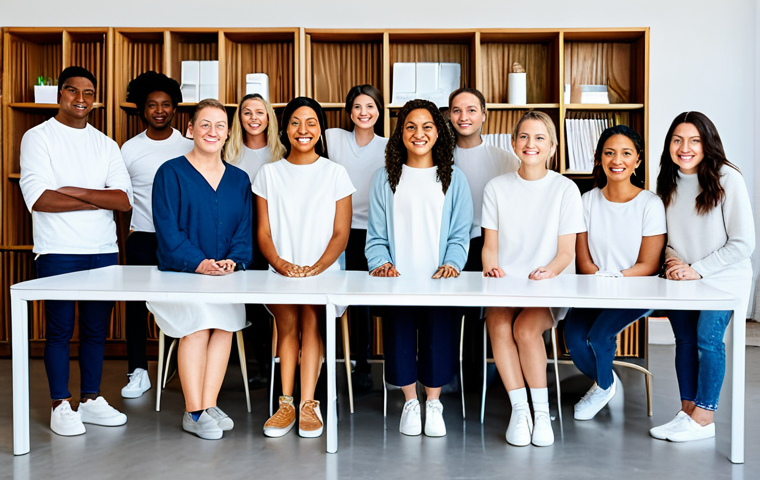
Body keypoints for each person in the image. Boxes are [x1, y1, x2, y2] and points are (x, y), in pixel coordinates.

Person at [19, 66, 133, 436]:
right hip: (58, 250)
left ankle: (90, 399)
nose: (80, 99)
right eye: (72, 91)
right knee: (59, 330)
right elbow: (39, 199)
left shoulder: (106, 144)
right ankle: (60, 404)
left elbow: (122, 199)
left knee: (96, 330)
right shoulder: (38, 138)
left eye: (88, 92)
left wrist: (71, 190)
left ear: (95, 99)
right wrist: (96, 197)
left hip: (102, 251)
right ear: (59, 95)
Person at [365, 99, 473, 438]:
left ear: (439, 133)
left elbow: (460, 233)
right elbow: (376, 234)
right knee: (399, 339)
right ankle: (410, 403)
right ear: (400, 134)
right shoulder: (384, 178)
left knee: (438, 339)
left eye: (427, 126)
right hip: (397, 279)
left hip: (440, 279)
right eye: (410, 126)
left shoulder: (455, 179)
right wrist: (380, 262)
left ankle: (433, 403)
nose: (419, 133)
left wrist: (453, 263)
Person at [148, 98, 253, 440]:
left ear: (227, 134)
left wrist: (233, 260)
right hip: (183, 274)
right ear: (191, 130)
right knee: (197, 325)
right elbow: (168, 230)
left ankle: (208, 404)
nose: (212, 131)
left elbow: (244, 229)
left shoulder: (239, 179)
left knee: (224, 326)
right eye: (204, 124)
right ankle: (193, 412)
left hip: (226, 276)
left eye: (220, 125)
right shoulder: (171, 173)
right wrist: (200, 263)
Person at [253, 97, 354, 438]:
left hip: (323, 271)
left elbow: (342, 233)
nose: (303, 130)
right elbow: (263, 232)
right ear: (284, 129)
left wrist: (317, 268)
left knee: (312, 322)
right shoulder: (269, 173)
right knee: (287, 325)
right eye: (295, 122)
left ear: (321, 129)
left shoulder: (335, 172)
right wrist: (281, 264)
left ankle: (309, 402)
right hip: (280, 270)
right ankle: (286, 403)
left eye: (311, 122)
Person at [481, 110, 584, 447]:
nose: (531, 144)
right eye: (524, 136)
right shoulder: (496, 188)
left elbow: (567, 253)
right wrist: (492, 268)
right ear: (513, 143)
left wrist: (549, 271)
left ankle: (542, 413)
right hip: (507, 285)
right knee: (497, 324)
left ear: (552, 147)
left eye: (540, 137)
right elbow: (490, 247)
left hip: (549, 285)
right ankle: (520, 410)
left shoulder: (565, 189)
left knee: (525, 329)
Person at [650, 111, 754, 442]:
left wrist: (698, 270)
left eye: (694, 140)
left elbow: (743, 243)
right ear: (669, 145)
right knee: (684, 341)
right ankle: (687, 413)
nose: (685, 147)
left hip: (723, 280)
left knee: (708, 340)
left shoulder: (728, 178)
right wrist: (672, 262)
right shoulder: (666, 181)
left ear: (707, 143)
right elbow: (666, 238)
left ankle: (705, 417)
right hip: (684, 280)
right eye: (677, 140)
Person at [563, 125, 666, 420]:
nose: (616, 160)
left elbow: (649, 265)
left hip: (637, 290)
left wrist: (615, 278)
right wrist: (602, 281)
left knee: (598, 337)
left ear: (638, 160)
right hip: (595, 288)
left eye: (625, 153)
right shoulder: (585, 202)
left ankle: (602, 383)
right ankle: (606, 383)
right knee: (573, 338)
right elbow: (584, 263)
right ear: (598, 158)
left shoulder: (650, 204)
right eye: (609, 153)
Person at [120, 71, 192, 398]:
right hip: (143, 237)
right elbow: (121, 196)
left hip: (180, 241)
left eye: (165, 104)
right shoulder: (129, 149)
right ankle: (137, 370)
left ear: (175, 108)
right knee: (135, 307)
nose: (159, 110)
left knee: (181, 305)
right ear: (142, 109)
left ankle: (181, 366)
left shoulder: (188, 146)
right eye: (152, 105)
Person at [325, 84, 388, 391]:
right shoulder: (334, 137)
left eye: (370, 107)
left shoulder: (388, 145)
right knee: (331, 297)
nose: (364, 113)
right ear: (349, 111)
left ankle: (362, 364)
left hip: (371, 231)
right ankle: (327, 361)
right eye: (358, 107)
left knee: (361, 302)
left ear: (379, 111)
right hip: (335, 229)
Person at [225, 93, 287, 389]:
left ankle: (277, 363)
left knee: (271, 303)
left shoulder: (281, 152)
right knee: (248, 304)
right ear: (239, 118)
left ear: (268, 118)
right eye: (247, 112)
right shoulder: (229, 152)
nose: (253, 118)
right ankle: (260, 365)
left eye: (259, 113)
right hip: (238, 237)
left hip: (273, 236)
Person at [448, 87, 519, 271]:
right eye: (457, 111)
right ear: (449, 115)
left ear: (484, 114)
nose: (464, 117)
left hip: (493, 245)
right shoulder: (440, 159)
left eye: (471, 110)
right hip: (449, 245)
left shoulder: (506, 160)